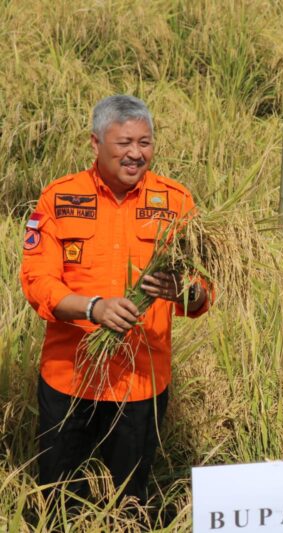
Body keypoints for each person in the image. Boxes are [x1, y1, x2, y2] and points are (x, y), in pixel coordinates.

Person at [20, 95, 210, 505]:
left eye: (144, 143)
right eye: (124, 143)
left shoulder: (176, 202)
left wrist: (184, 291)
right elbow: (37, 281)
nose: (135, 154)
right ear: (95, 143)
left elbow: (202, 291)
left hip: (140, 382)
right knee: (59, 500)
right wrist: (93, 308)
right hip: (70, 379)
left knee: (128, 502)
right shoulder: (59, 197)